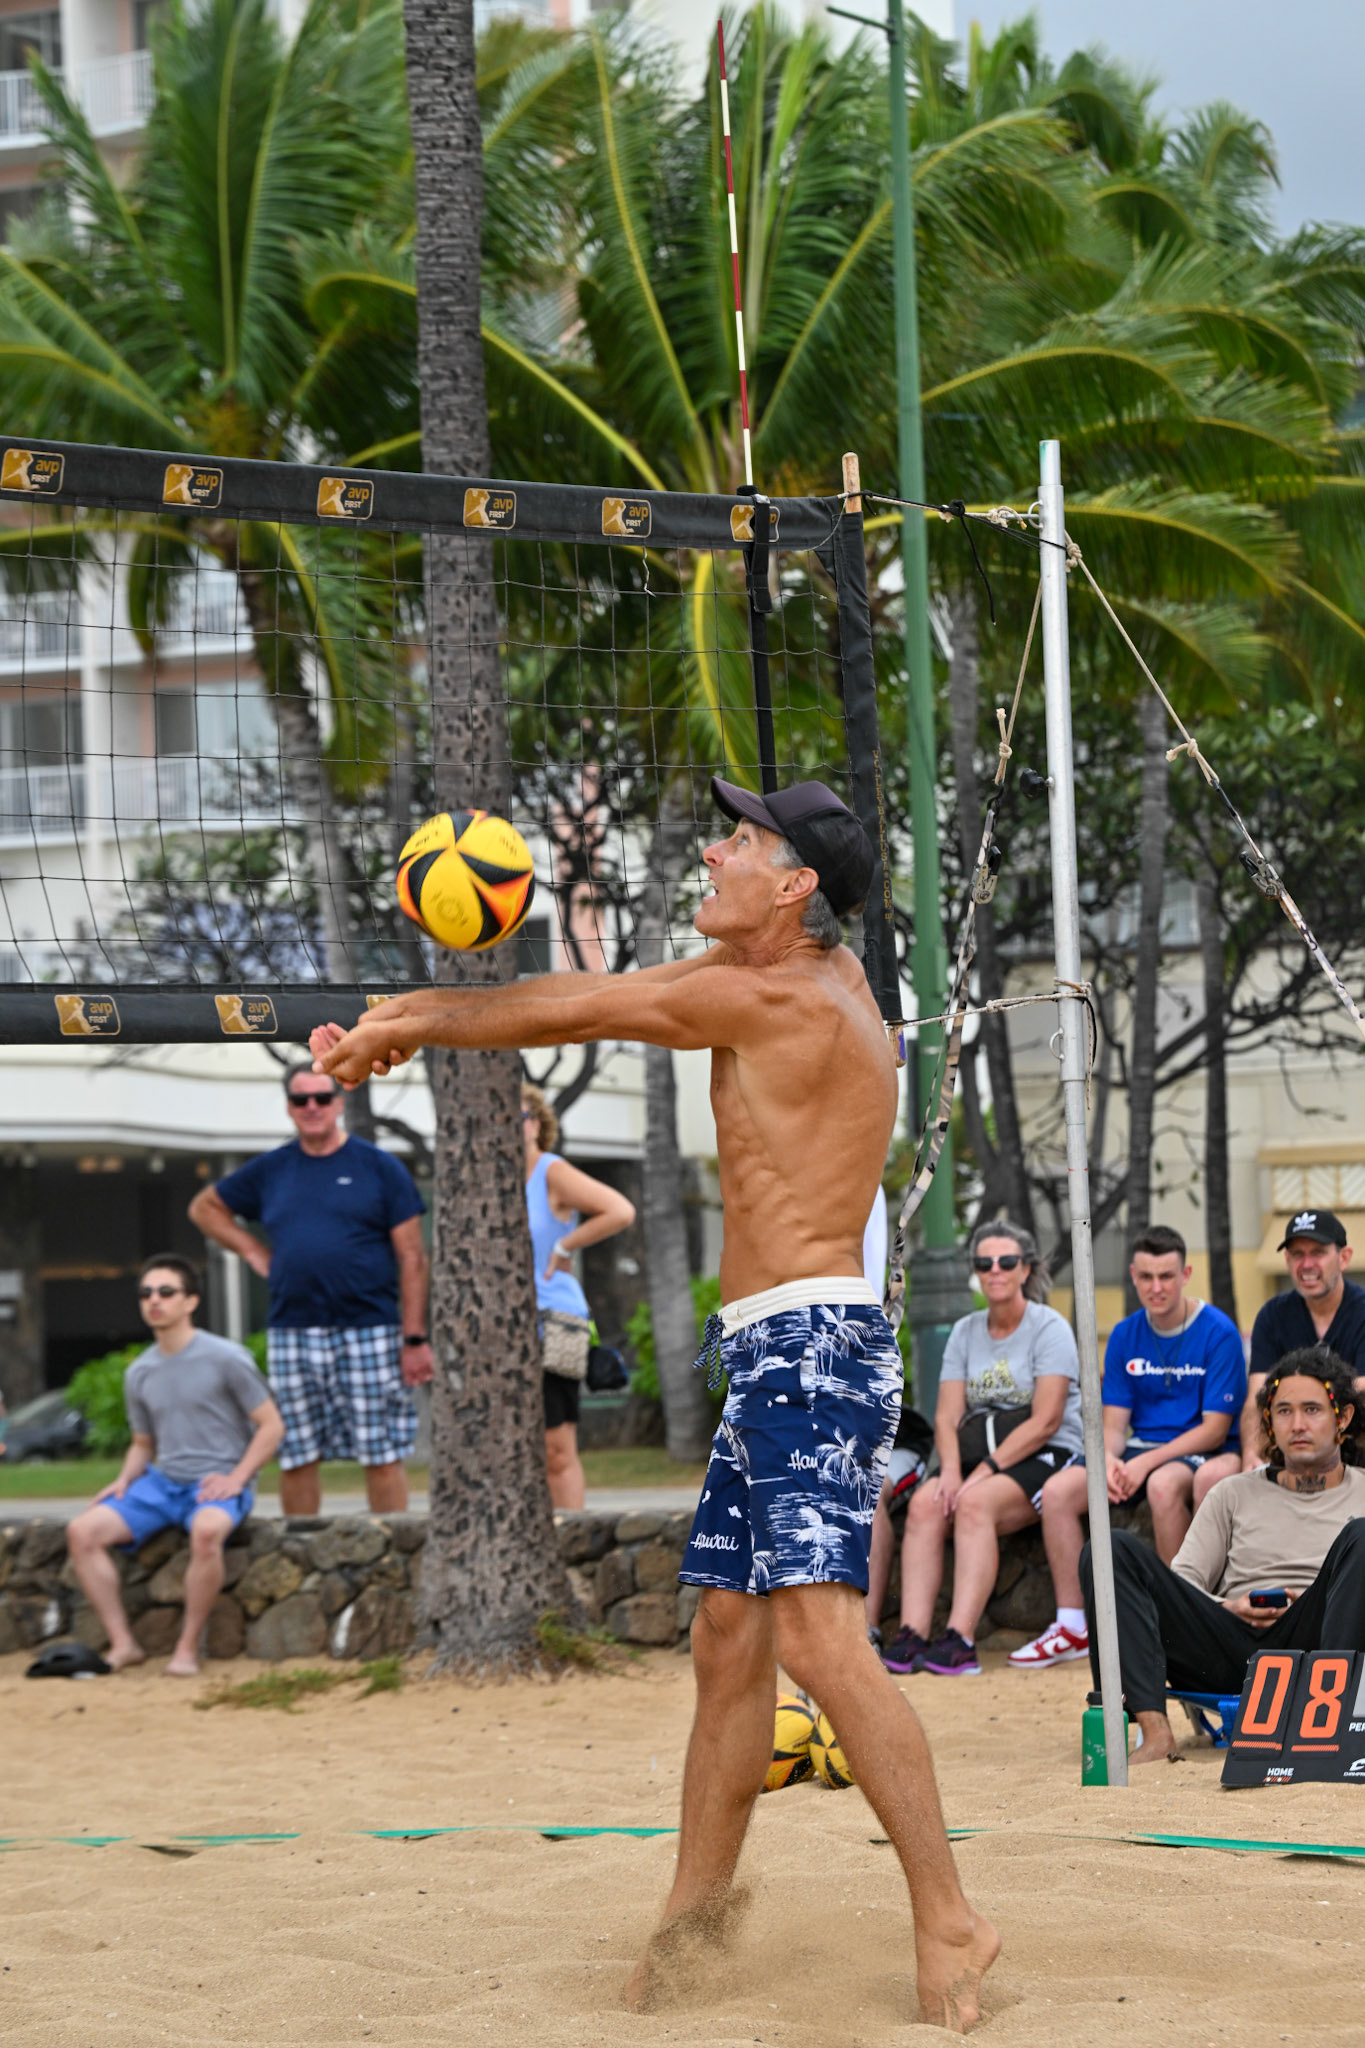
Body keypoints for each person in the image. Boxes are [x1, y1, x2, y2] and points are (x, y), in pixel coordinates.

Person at [310, 775, 999, 2033]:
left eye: (741, 838)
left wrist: (403, 1014)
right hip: (780, 1347)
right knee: (728, 1642)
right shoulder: (816, 981)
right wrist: (410, 1014)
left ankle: (950, 1911)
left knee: (818, 1642)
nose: (715, 848)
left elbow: (581, 998)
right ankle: (692, 1929)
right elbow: (600, 989)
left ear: (795, 888)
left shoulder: (771, 991)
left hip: (809, 1348)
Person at [1080, 1345, 1365, 1764]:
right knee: (1110, 1549)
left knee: (1360, 1536)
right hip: (1232, 1648)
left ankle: (1331, 1730)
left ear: (1342, 1417)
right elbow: (1183, 1584)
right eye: (1283, 1411)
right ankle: (1156, 1735)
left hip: (1318, 1648)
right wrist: (1228, 1606)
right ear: (1268, 1420)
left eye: (1312, 1409)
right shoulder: (1233, 1492)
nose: (1297, 1424)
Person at [188, 1062, 432, 1515]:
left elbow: (413, 1257)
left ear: (339, 1103)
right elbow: (205, 1208)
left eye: (322, 1098)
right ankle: (303, 1557)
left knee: (380, 1453)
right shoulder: (271, 1169)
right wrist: (252, 1251)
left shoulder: (380, 1168)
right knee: (297, 1453)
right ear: (289, 1107)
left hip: (371, 1328)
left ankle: (393, 1556)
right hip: (293, 1330)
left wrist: (414, 1338)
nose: (313, 1108)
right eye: (302, 1100)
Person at [1008, 1225, 1245, 1671]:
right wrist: (1110, 1461)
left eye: (1167, 1276)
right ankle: (1073, 1622)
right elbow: (1114, 1424)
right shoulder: (1123, 1334)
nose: (1157, 1288)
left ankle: (1183, 1614)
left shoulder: (1219, 1333)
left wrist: (1145, 1464)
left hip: (1198, 1448)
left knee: (1162, 1485)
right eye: (1147, 1277)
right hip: (1139, 1448)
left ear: (1186, 1273)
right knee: (1060, 1492)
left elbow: (1215, 1430)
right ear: (1134, 1276)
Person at [883, 1218, 1083, 1679]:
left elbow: (1046, 1420)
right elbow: (947, 1415)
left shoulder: (1048, 1327)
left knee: (973, 1505)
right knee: (925, 1507)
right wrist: (950, 1471)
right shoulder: (965, 1331)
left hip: (1044, 1453)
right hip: (976, 1457)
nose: (995, 1270)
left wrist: (984, 1472)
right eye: (984, 1262)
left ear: (1026, 1270)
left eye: (1006, 1262)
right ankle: (912, 1632)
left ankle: (960, 1640)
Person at [66, 1256, 283, 1676]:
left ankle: (186, 1648)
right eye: (146, 1293)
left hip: (216, 1482)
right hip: (162, 1483)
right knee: (82, 1531)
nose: (154, 1301)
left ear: (191, 1301)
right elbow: (143, 1443)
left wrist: (238, 1479)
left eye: (166, 1292)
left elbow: (271, 1426)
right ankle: (124, 1644)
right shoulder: (140, 1371)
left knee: (205, 1533)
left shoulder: (226, 1358)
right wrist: (125, 1480)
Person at [1195, 1207, 1365, 1501]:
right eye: (1297, 1254)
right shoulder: (1273, 1315)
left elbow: (1360, 1396)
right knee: (1223, 1480)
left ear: (1344, 1257)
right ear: (1287, 1260)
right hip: (1290, 1449)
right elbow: (1257, 1398)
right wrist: (1252, 1453)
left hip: (1353, 1443)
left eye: (1318, 1252)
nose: (1306, 1264)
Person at [522, 1081, 635, 1508]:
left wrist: (564, 1245)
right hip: (501, 1326)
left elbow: (620, 1210)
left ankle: (567, 1541)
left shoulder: (549, 1171)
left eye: (516, 1119)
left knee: (556, 1445)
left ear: (535, 1124)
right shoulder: (482, 1180)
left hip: (553, 1321)